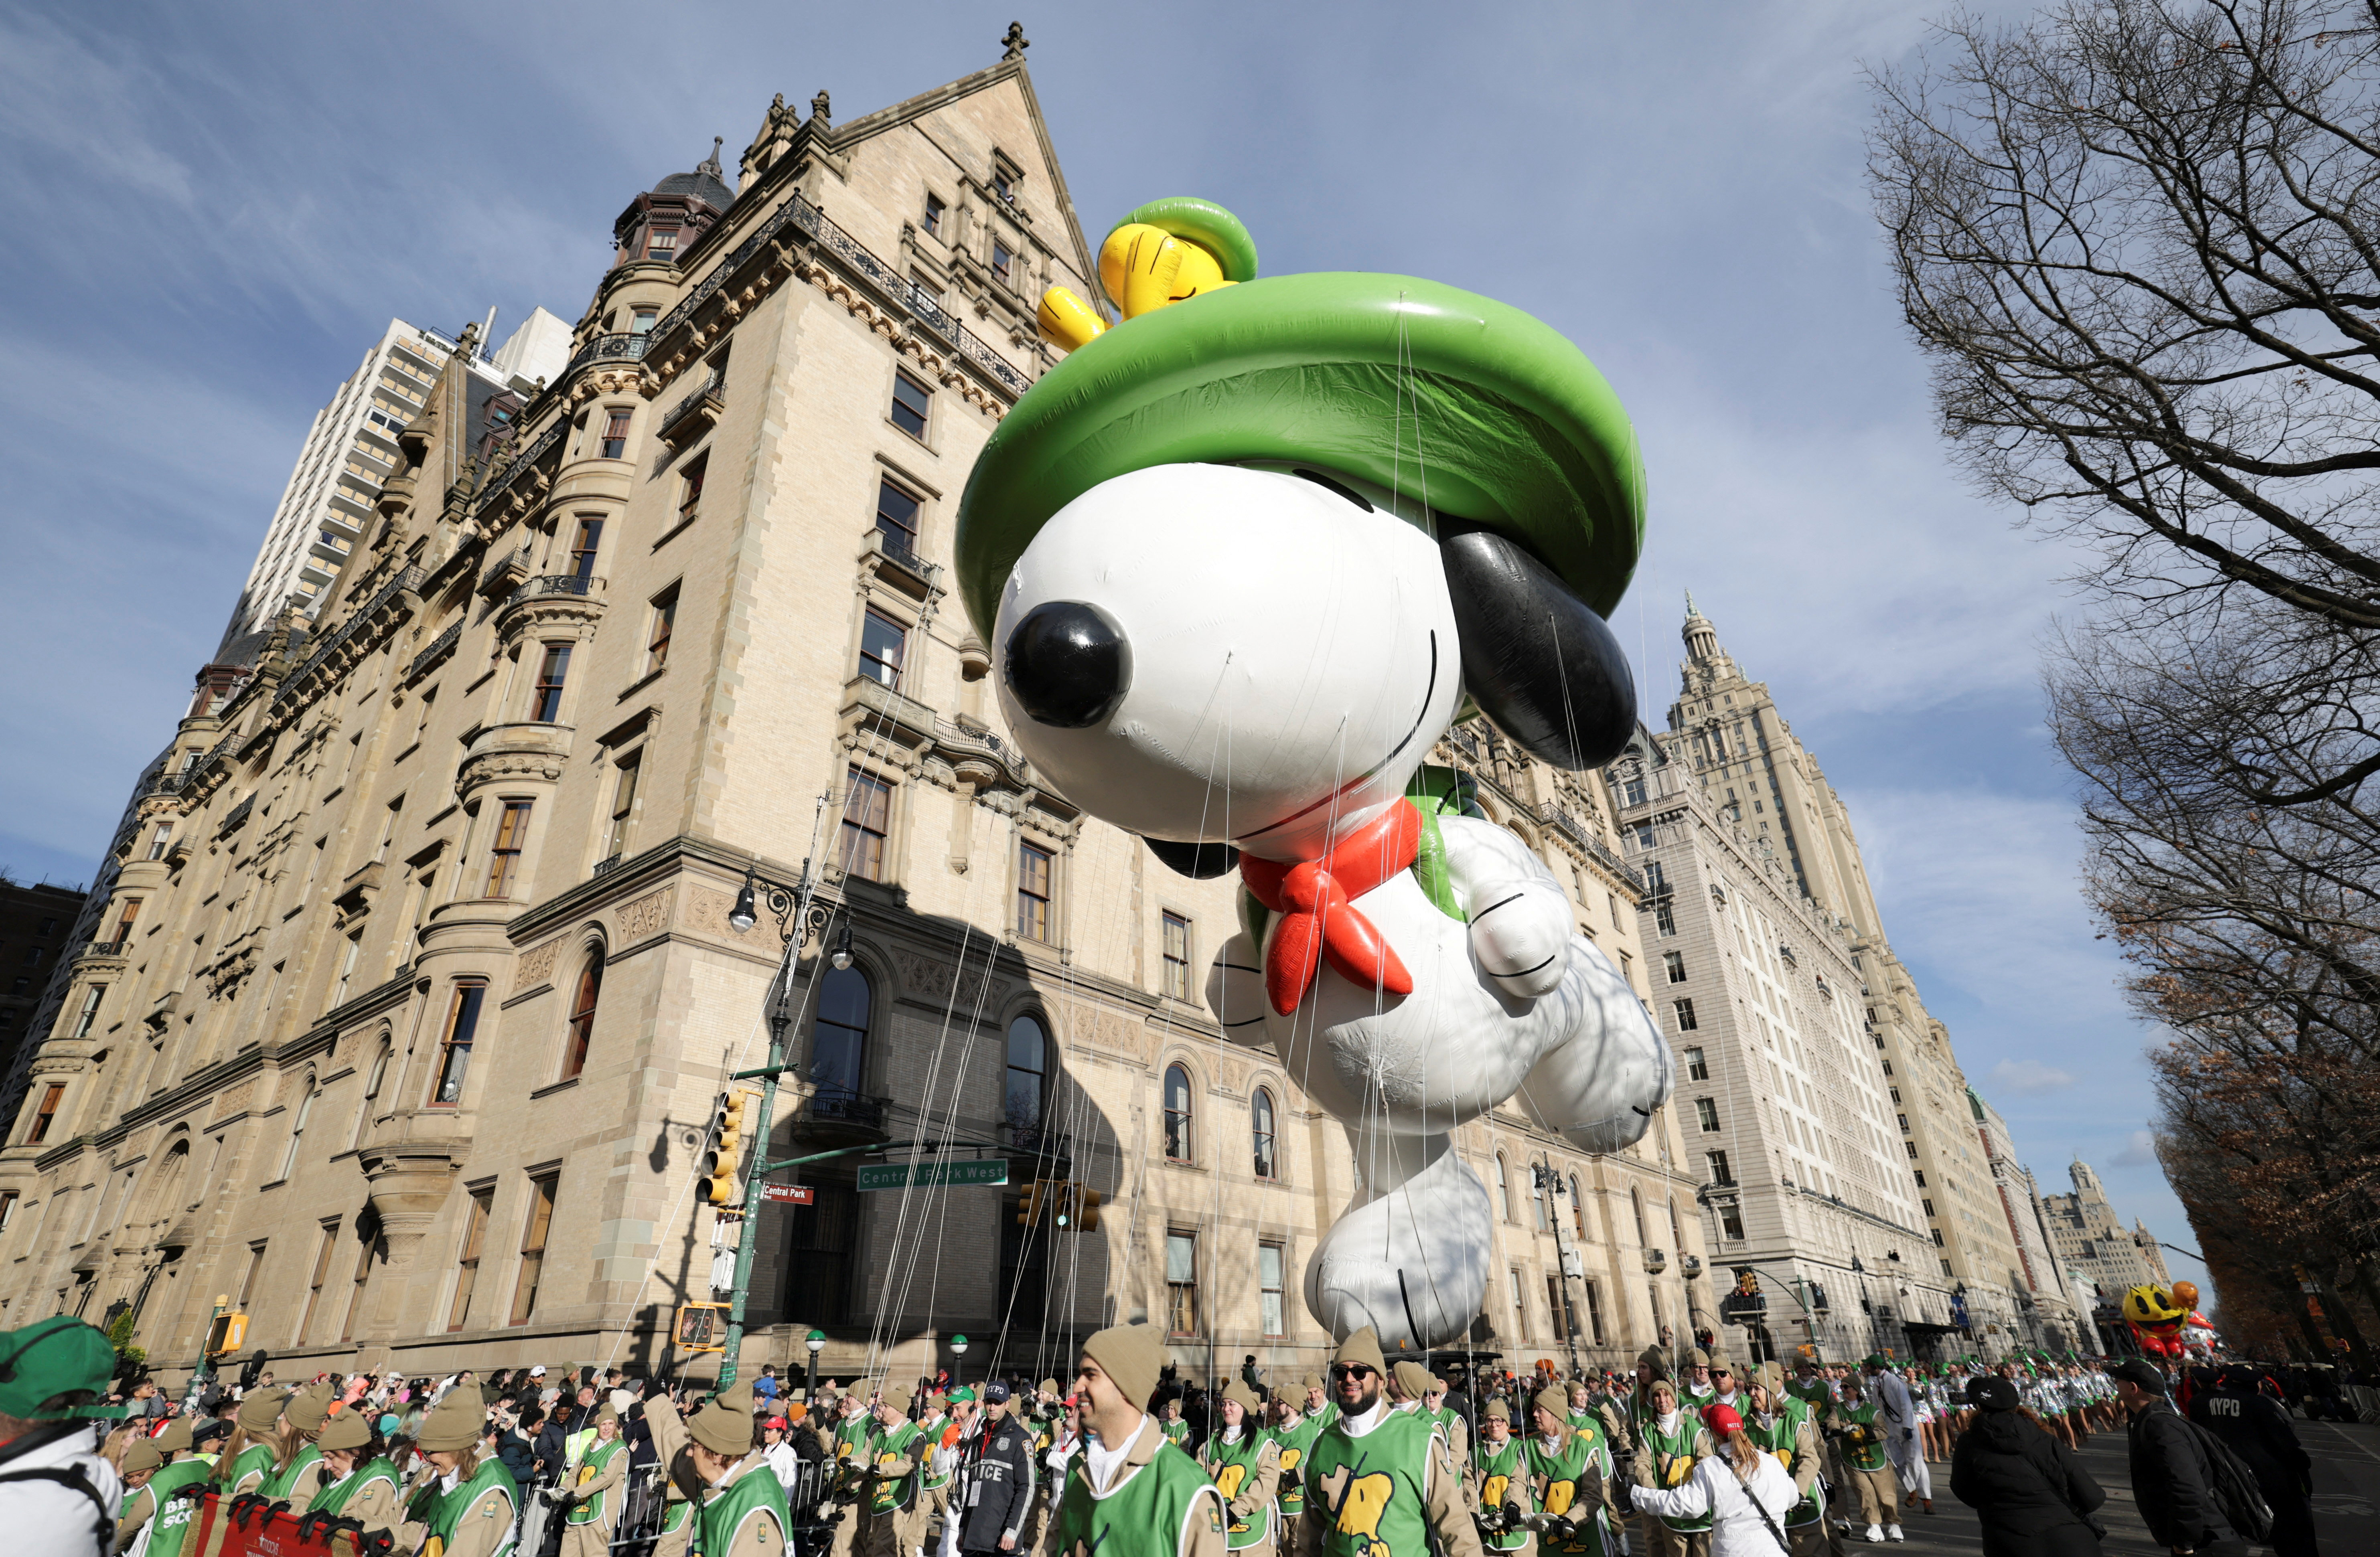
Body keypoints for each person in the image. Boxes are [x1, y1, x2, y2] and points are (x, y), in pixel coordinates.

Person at [1296, 1325, 1480, 1557]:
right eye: (1341, 1372)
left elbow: (1457, 1528)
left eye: (1361, 1371)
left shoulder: (1418, 1438)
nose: (1350, 1379)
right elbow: (1309, 1537)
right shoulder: (1321, 1445)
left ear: (1381, 1381)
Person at [1050, 1322, 1226, 1557]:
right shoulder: (1076, 1469)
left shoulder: (1186, 1489)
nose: (1077, 1386)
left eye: (1091, 1375)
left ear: (1125, 1385)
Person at [1947, 1374, 2103, 1557]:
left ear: (1978, 1407)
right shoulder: (2045, 1438)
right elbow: (2092, 1497)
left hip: (2010, 1539)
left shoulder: (1969, 1443)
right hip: (2071, 1539)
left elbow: (1964, 1491)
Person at [1622, 1405, 1795, 1557]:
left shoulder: (1711, 1468)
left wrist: (1640, 1496)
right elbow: (1792, 1497)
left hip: (1732, 1550)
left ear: (1714, 1435)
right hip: (1774, 1549)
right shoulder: (1771, 1462)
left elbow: (1687, 1504)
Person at [2190, 1363, 2314, 1557]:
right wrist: (2300, 1461)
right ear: (2253, 1384)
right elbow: (2283, 1439)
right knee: (2295, 1527)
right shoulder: (2257, 1403)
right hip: (2271, 1471)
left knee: (2270, 1521)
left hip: (2239, 1469)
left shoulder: (2216, 1401)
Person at [2113, 1358, 2226, 1557]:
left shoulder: (2159, 1425)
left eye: (2118, 1381)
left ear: (2133, 1388)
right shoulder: (2151, 1419)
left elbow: (2187, 1487)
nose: (2115, 1385)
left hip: (2205, 1541)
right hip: (2200, 1536)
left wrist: (2184, 1543)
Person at [401, 1387, 520, 1557]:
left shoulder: (491, 1485)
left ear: (455, 1446)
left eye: (431, 1452)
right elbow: (425, 1533)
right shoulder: (449, 1475)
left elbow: (467, 1550)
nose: (427, 1459)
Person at [683, 1383, 793, 1557]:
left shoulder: (756, 1513)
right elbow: (674, 1450)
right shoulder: (721, 1478)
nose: (688, 1452)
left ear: (717, 1455)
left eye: (694, 1446)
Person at [1739, 1368, 1825, 1557]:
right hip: (1767, 1507)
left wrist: (1797, 1492)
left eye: (1757, 1389)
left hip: (1801, 1502)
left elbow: (1810, 1459)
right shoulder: (1746, 1426)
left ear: (1770, 1393)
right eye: (1750, 1389)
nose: (1752, 1393)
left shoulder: (1793, 1421)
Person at [1524, 1385, 1610, 1557]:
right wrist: (1513, 1503)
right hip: (1550, 1535)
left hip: (1585, 1533)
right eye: (1535, 1410)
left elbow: (1593, 1496)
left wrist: (1571, 1519)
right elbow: (1519, 1481)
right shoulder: (1529, 1446)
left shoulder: (1582, 1448)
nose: (1534, 1415)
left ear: (1555, 1415)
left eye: (1540, 1411)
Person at [1630, 1377, 1712, 1557]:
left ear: (1674, 1398)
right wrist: (1653, 1493)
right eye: (1657, 1396)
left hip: (1697, 1505)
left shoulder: (1691, 1425)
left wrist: (1693, 1489)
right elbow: (1642, 1464)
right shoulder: (1649, 1430)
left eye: (1666, 1394)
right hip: (1669, 1508)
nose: (1662, 1400)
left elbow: (1706, 1459)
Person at [1200, 1381, 1281, 1557]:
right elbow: (1198, 1476)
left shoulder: (1261, 1441)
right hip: (1218, 1527)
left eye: (1232, 1404)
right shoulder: (1213, 1441)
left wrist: (1237, 1510)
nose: (1226, 1408)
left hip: (1252, 1531)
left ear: (1243, 1407)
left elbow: (1267, 1482)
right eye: (1223, 1404)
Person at [307, 1408, 404, 1539]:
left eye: (331, 1457)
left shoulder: (378, 1476)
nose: (326, 1466)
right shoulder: (345, 1474)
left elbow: (354, 1526)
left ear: (355, 1451)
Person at [1863, 1355, 1930, 1519]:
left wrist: (1907, 1426)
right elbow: (1876, 1406)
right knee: (1897, 1462)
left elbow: (1906, 1405)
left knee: (1916, 1462)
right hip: (1889, 1428)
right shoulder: (1876, 1384)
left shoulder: (1895, 1382)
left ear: (1875, 1367)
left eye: (1869, 1367)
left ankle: (1926, 1499)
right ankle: (1912, 1491)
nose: (1867, 1370)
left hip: (1905, 1426)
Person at [561, 1403, 630, 1557]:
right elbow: (574, 1474)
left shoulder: (619, 1448)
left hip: (600, 1511)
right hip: (578, 1510)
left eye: (611, 1424)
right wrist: (562, 1490)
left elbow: (607, 1479)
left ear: (616, 1426)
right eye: (604, 1424)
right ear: (598, 1425)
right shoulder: (590, 1447)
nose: (607, 1428)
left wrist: (576, 1492)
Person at [1470, 1399, 1534, 1556]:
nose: (1494, 1425)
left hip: (1515, 1524)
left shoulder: (1520, 1448)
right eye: (1489, 1420)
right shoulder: (1476, 1451)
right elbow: (1469, 1483)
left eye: (1499, 1420)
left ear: (1507, 1423)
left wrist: (1513, 1504)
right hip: (1487, 1525)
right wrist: (1472, 1510)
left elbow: (1520, 1481)